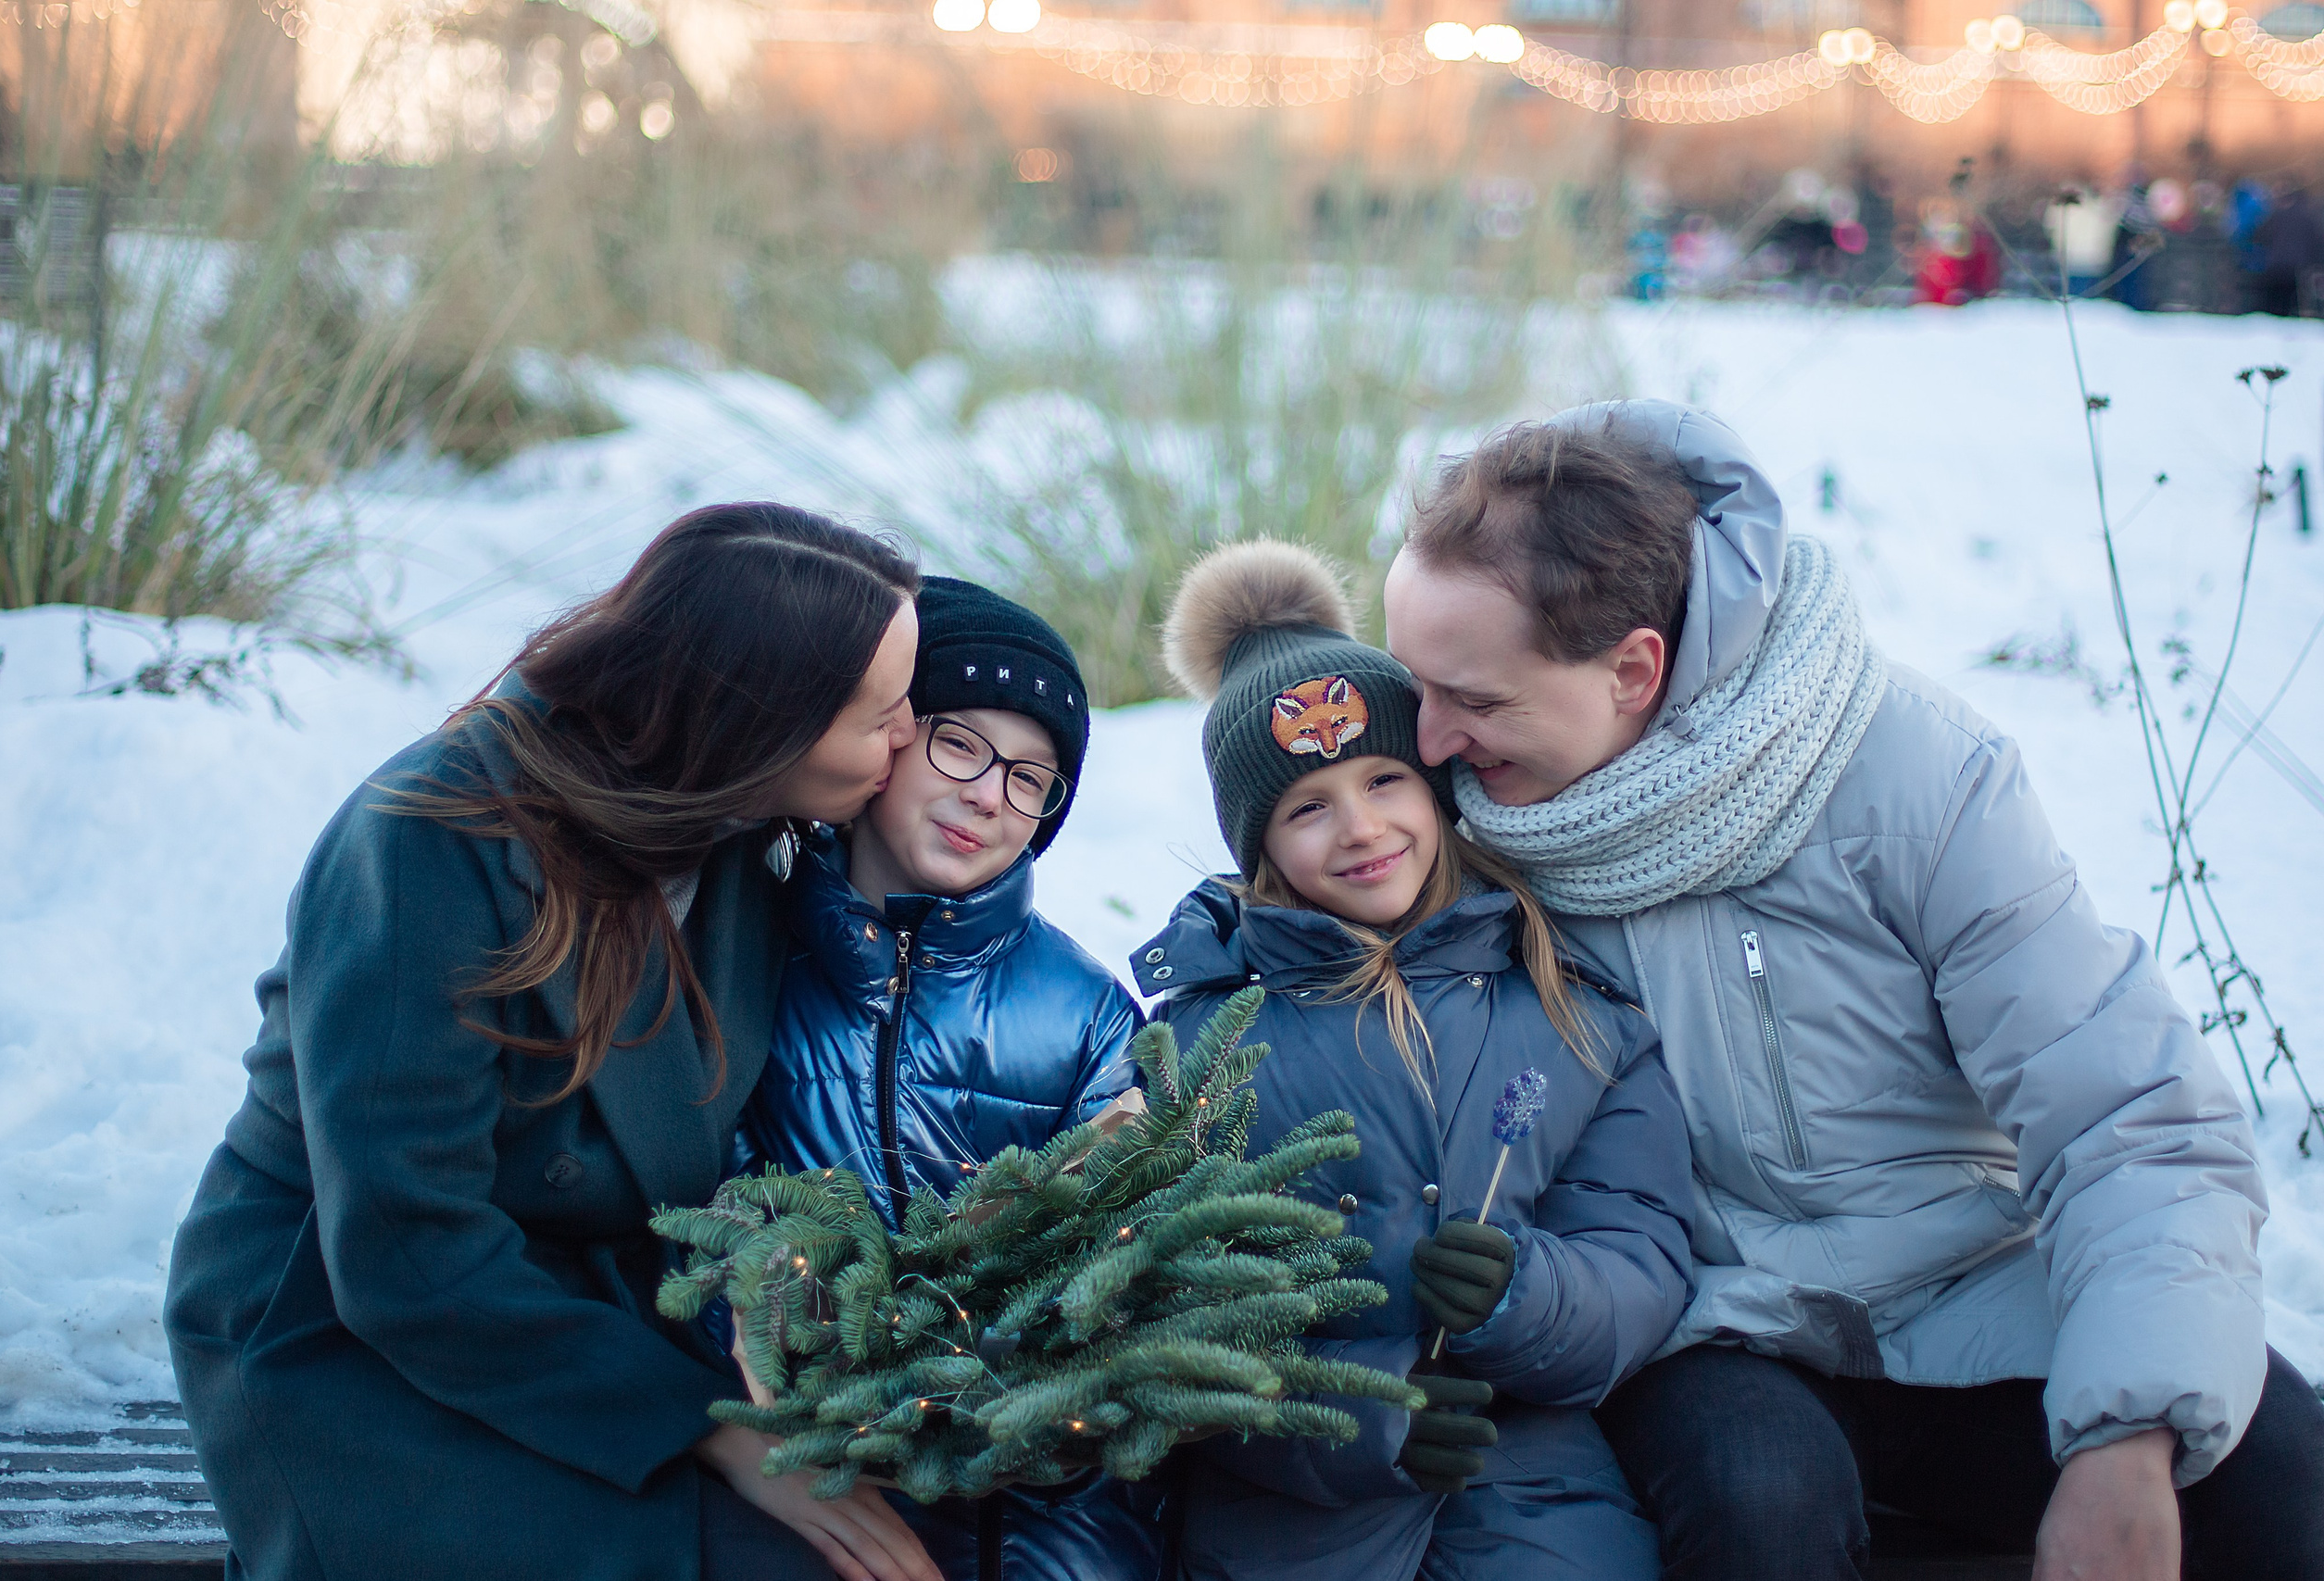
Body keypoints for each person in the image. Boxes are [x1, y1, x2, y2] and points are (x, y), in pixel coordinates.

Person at [1381, 401, 2324, 1581]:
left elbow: (2124, 1112)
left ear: (1633, 669)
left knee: (2273, 1465)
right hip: (1710, 1320)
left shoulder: (1912, 773)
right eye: (1410, 684)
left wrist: (2126, 1436)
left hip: (1977, 1285)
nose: (1423, 741)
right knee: (1760, 1501)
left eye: (1471, 698)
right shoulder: (1453, 831)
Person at [164, 504, 946, 1581]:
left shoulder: (739, 822)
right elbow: (404, 1239)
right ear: (753, 724)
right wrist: (707, 1427)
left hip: (608, 1299)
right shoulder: (428, 840)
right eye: (882, 714)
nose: (909, 737)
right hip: (367, 1323)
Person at [1131, 540, 1697, 1581]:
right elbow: (1172, 1316)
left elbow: (1642, 1245)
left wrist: (1526, 1298)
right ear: (1258, 844)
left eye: (1385, 778)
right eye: (1307, 808)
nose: (1361, 828)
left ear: (1436, 785)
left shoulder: (1569, 1005)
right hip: (1293, 1523)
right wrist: (1356, 1414)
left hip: (1533, 1492)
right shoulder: (1208, 1043)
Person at [719, 577, 1162, 1581]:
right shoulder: (751, 961)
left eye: (1030, 778)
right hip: (797, 1487)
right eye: (959, 743)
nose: (985, 793)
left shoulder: (1084, 1013)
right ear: (887, 740)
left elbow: (1118, 1283)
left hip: (1038, 1518)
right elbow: (693, 1223)